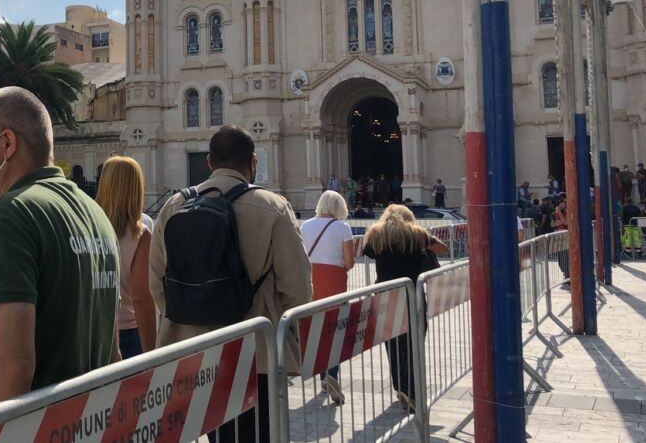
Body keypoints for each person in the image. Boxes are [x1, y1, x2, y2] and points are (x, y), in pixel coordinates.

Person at [0, 87, 119, 416]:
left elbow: (15, 365)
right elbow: (110, 351)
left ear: (7, 144)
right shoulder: (95, 214)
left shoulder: (10, 215)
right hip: (79, 421)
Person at [150, 125, 311, 443]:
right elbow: (298, 288)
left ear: (209, 162)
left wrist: (188, 318)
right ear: (253, 162)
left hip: (191, 356)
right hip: (255, 354)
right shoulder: (273, 207)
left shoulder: (174, 206)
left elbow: (156, 283)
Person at [361, 205, 447, 412]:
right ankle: (411, 388)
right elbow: (443, 248)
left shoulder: (376, 233)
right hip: (413, 295)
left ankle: (400, 386)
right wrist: (424, 243)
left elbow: (367, 252)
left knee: (392, 343)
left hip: (386, 295)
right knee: (414, 342)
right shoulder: (417, 234)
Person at [95, 156, 157, 359]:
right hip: (129, 333)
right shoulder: (140, 234)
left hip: (92, 330)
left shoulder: (87, 227)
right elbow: (141, 296)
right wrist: (151, 351)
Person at [300, 190, 355, 404]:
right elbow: (349, 262)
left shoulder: (305, 226)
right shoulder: (343, 228)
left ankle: (321, 372)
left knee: (318, 330)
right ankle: (331, 375)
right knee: (335, 332)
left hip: (312, 281)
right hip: (335, 283)